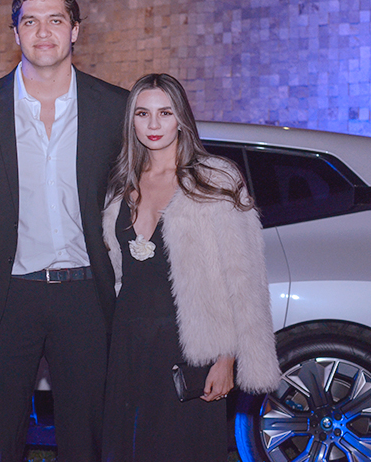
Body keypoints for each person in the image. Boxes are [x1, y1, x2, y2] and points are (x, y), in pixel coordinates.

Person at [0, 0, 127, 462]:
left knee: (86, 438)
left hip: (86, 294)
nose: (43, 32)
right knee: (1, 436)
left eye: (55, 20)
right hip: (8, 295)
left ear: (75, 30)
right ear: (16, 33)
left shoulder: (114, 107)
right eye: (30, 21)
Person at [101, 73, 281, 461]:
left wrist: (227, 357)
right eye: (142, 114)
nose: (153, 124)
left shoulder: (214, 180)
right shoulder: (120, 185)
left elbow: (243, 278)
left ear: (181, 118)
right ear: (131, 121)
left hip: (189, 348)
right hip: (127, 344)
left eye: (164, 113)